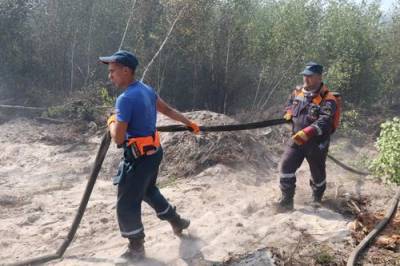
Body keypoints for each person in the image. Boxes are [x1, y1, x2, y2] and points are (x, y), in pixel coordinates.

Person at [99, 50, 200, 261]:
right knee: (148, 190)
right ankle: (177, 221)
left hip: (137, 158)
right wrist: (189, 123)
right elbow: (169, 110)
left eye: (113, 72)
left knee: (126, 202)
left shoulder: (125, 99)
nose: (110, 76)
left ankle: (136, 248)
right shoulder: (146, 89)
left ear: (126, 71)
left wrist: (111, 122)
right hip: (154, 153)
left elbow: (118, 138)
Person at [275, 62, 337, 213]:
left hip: (316, 143)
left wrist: (308, 132)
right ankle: (287, 201)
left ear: (319, 77)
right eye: (305, 75)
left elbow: (325, 121)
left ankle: (316, 198)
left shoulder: (328, 99)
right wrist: (288, 112)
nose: (306, 79)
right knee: (286, 166)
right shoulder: (297, 92)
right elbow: (289, 105)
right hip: (296, 139)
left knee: (317, 173)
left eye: (310, 76)